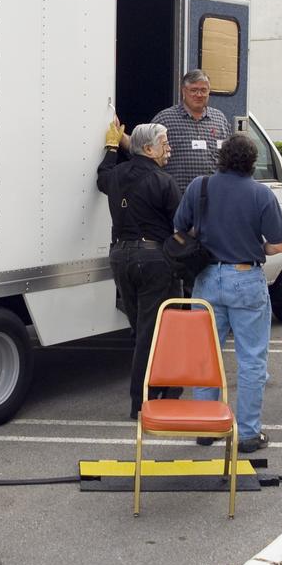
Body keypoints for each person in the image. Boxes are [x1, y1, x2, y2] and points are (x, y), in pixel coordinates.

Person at [174, 134, 282, 452]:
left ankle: (205, 426)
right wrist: (254, 245)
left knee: (205, 355)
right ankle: (249, 433)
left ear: (221, 158)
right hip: (245, 276)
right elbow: (277, 244)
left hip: (207, 277)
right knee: (251, 359)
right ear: (252, 162)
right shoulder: (261, 194)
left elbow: (179, 229)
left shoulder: (200, 186)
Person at [97, 121, 183, 420]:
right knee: (155, 329)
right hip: (153, 260)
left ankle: (161, 390)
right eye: (164, 143)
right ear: (149, 149)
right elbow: (180, 224)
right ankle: (142, 400)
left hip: (120, 257)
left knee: (140, 328)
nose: (168, 148)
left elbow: (102, 177)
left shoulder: (117, 175)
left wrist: (111, 147)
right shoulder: (163, 181)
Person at [152, 69, 232, 195]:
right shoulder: (165, 119)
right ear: (184, 91)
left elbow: (230, 157)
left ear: (209, 92)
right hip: (177, 197)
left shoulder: (220, 119)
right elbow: (145, 150)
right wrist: (122, 137)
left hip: (214, 196)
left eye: (203, 90)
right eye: (194, 90)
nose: (199, 95)